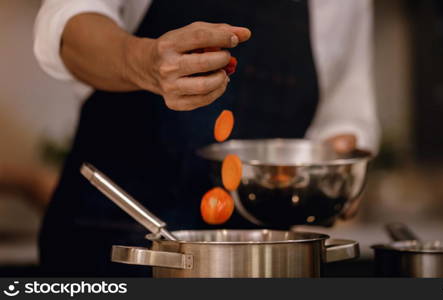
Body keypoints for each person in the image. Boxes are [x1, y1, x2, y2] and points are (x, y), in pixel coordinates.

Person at [34, 0, 380, 276]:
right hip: (116, 240)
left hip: (263, 258)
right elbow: (67, 25)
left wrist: (336, 170)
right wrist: (143, 62)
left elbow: (344, 106)